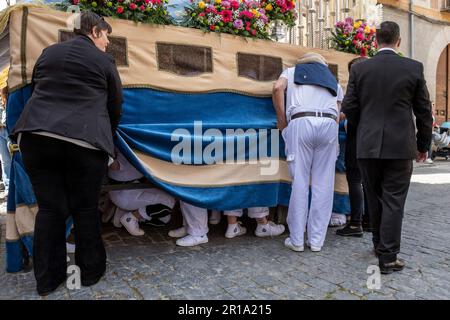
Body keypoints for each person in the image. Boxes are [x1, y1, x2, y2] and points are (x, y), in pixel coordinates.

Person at [11, 12, 123, 295]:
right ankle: (90, 274)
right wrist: (106, 137)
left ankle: (47, 280)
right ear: (95, 31)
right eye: (107, 35)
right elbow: (115, 104)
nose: (108, 42)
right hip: (85, 142)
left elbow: (37, 90)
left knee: (49, 209)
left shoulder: (49, 53)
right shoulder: (104, 61)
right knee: (85, 209)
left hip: (36, 137)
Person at [342, 21, 432, 274]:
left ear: (375, 41)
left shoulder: (361, 69)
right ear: (398, 41)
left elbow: (349, 107)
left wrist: (365, 130)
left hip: (367, 145)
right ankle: (388, 256)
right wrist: (424, 144)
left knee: (374, 196)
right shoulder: (413, 68)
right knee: (394, 200)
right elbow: (424, 111)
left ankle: (378, 245)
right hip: (400, 146)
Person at [272, 52, 343, 253]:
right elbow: (338, 110)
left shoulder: (292, 71)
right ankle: (317, 241)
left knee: (301, 182)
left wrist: (281, 120)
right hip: (328, 125)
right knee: (324, 184)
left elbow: (277, 88)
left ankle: (296, 240)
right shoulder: (333, 80)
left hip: (301, 121)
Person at [336, 57, 370, 237]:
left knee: (355, 180)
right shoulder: (375, 87)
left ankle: (356, 223)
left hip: (357, 138)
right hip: (373, 141)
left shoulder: (355, 89)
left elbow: (345, 111)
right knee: (369, 182)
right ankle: (369, 220)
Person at [108, 150, 175, 236]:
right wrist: (108, 155)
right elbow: (114, 166)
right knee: (169, 203)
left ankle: (124, 211)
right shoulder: (122, 144)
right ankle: (131, 217)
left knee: (164, 219)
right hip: (123, 192)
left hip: (134, 187)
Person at [0, 86, 11, 196]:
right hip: (0, 130)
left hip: (9, 129)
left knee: (15, 158)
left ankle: (18, 187)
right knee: (5, 161)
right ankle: (8, 188)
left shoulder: (9, 93)